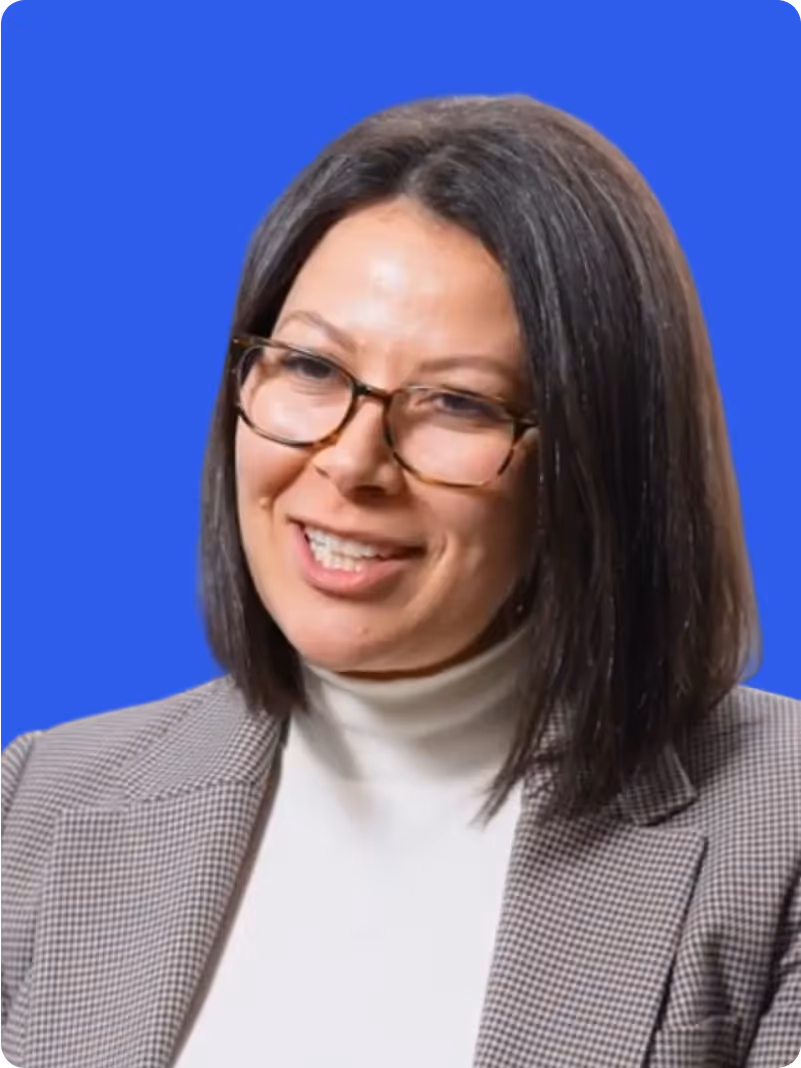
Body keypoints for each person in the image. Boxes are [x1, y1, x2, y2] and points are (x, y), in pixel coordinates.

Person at [0, 94, 799, 1068]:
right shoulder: (39, 802)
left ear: (599, 456)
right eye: (308, 366)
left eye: (457, 403)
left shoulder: (781, 832)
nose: (348, 463)